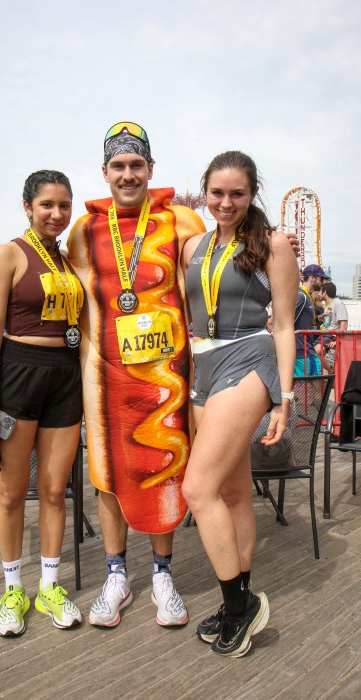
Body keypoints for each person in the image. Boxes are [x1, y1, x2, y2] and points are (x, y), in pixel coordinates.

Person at [67, 122, 206, 628]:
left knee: (166, 468)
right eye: (119, 167)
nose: (128, 175)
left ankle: (164, 573)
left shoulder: (183, 220)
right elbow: (67, 293)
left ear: (151, 169)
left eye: (137, 165)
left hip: (167, 379)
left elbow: (215, 276)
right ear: (105, 172)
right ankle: (117, 574)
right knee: (108, 474)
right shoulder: (84, 231)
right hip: (104, 379)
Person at [181, 150, 299, 657]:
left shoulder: (272, 243)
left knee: (197, 488)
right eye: (217, 193)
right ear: (204, 192)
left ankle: (238, 607)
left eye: (238, 193)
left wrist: (285, 397)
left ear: (252, 195)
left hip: (248, 359)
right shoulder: (192, 245)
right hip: (201, 367)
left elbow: (287, 324)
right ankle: (242, 596)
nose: (226, 202)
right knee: (230, 492)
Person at [0, 170, 84, 637]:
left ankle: (51, 587)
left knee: (56, 491)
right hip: (17, 374)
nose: (56, 213)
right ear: (28, 207)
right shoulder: (7, 255)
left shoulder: (68, 259)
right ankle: (13, 590)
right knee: (13, 493)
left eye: (64, 205)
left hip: (66, 376)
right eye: (47, 205)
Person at [293, 264, 329, 376]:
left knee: (310, 388)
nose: (323, 282)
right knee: (317, 386)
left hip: (304, 350)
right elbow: (288, 321)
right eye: (321, 279)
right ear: (312, 278)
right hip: (303, 352)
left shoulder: (306, 296)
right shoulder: (301, 296)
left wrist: (317, 319)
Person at [316, 280, 348, 371]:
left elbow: (343, 324)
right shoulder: (326, 304)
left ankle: (331, 373)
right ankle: (330, 373)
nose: (318, 294)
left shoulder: (338, 303)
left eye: (320, 291)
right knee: (311, 352)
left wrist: (337, 340)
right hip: (324, 333)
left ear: (325, 292)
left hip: (331, 335)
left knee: (316, 351)